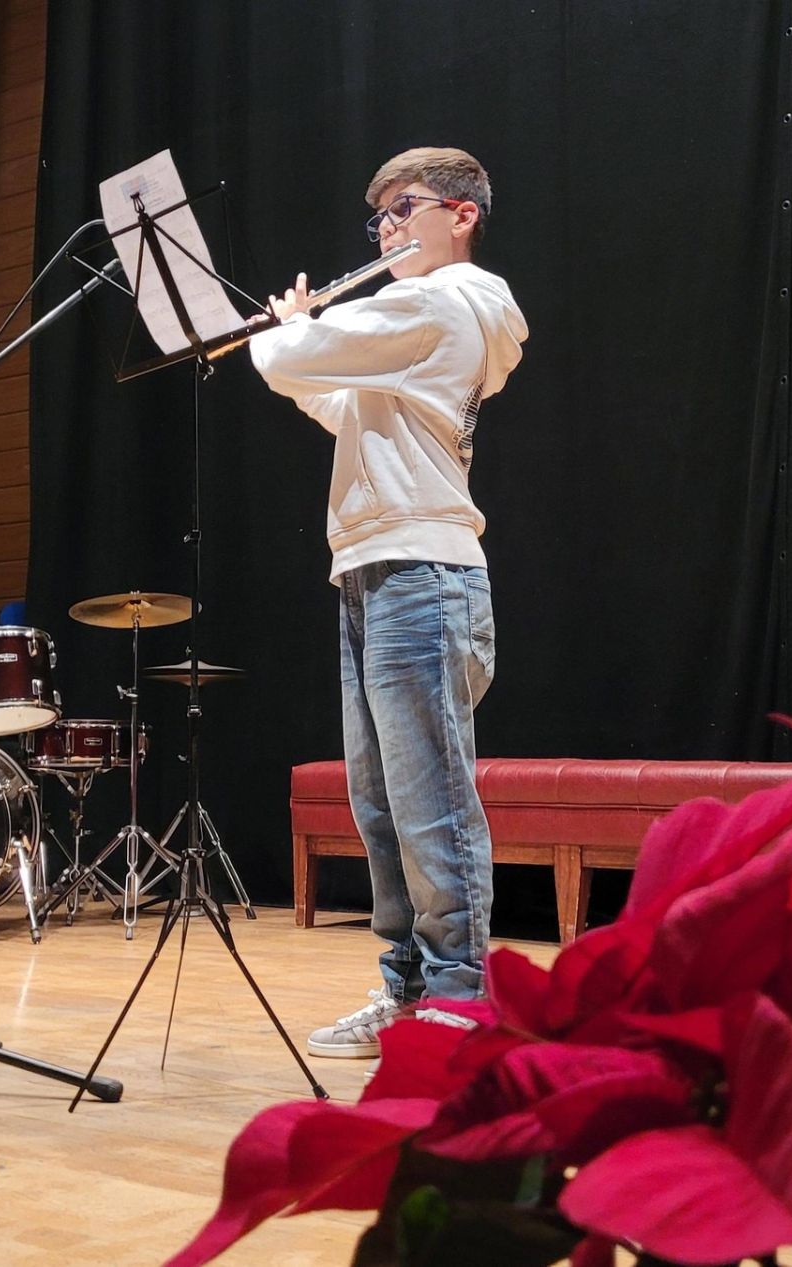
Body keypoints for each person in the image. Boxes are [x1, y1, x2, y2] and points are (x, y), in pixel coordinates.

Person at [249, 147, 528, 1058]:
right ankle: (407, 989)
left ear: (462, 214)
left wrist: (289, 326)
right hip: (373, 569)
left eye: (405, 210)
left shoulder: (452, 301)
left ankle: (461, 994)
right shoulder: (416, 322)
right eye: (379, 219)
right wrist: (303, 349)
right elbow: (339, 402)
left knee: (430, 797)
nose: (389, 231)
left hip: (423, 572)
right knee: (379, 803)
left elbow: (293, 359)